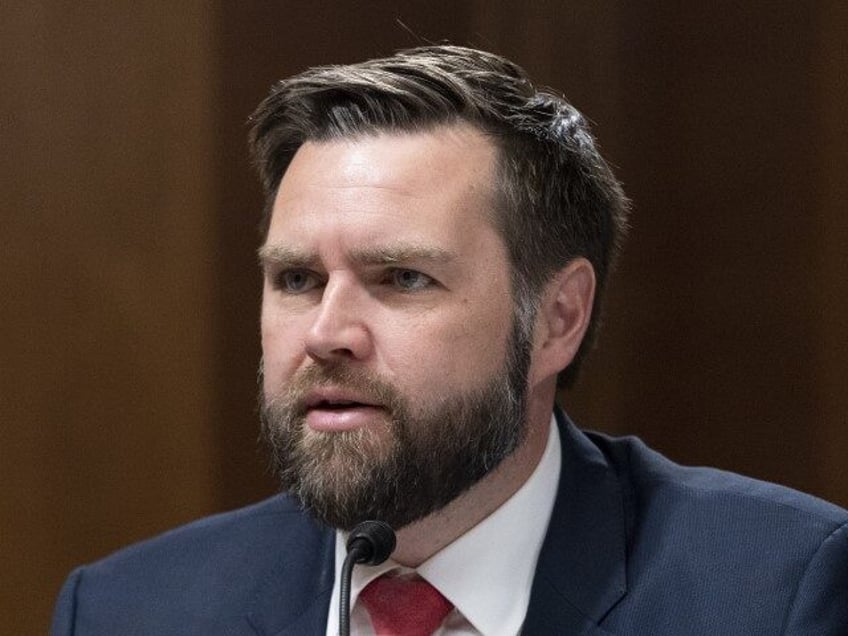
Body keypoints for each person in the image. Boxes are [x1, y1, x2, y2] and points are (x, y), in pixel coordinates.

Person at [51, 45, 847, 635]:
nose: (327, 333)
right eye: (297, 280)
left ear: (557, 319)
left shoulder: (776, 592)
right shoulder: (129, 611)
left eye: (402, 278)